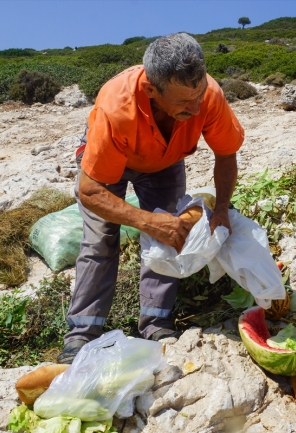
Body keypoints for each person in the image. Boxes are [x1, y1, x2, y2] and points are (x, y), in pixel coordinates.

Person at [57, 33, 244, 364]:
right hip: (109, 165)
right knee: (100, 241)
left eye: (199, 96)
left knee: (171, 235)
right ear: (151, 90)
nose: (197, 107)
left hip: (164, 162)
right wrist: (146, 221)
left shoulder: (207, 95)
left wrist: (223, 210)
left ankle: (156, 323)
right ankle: (82, 333)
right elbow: (90, 191)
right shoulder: (117, 107)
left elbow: (226, 154)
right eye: (185, 102)